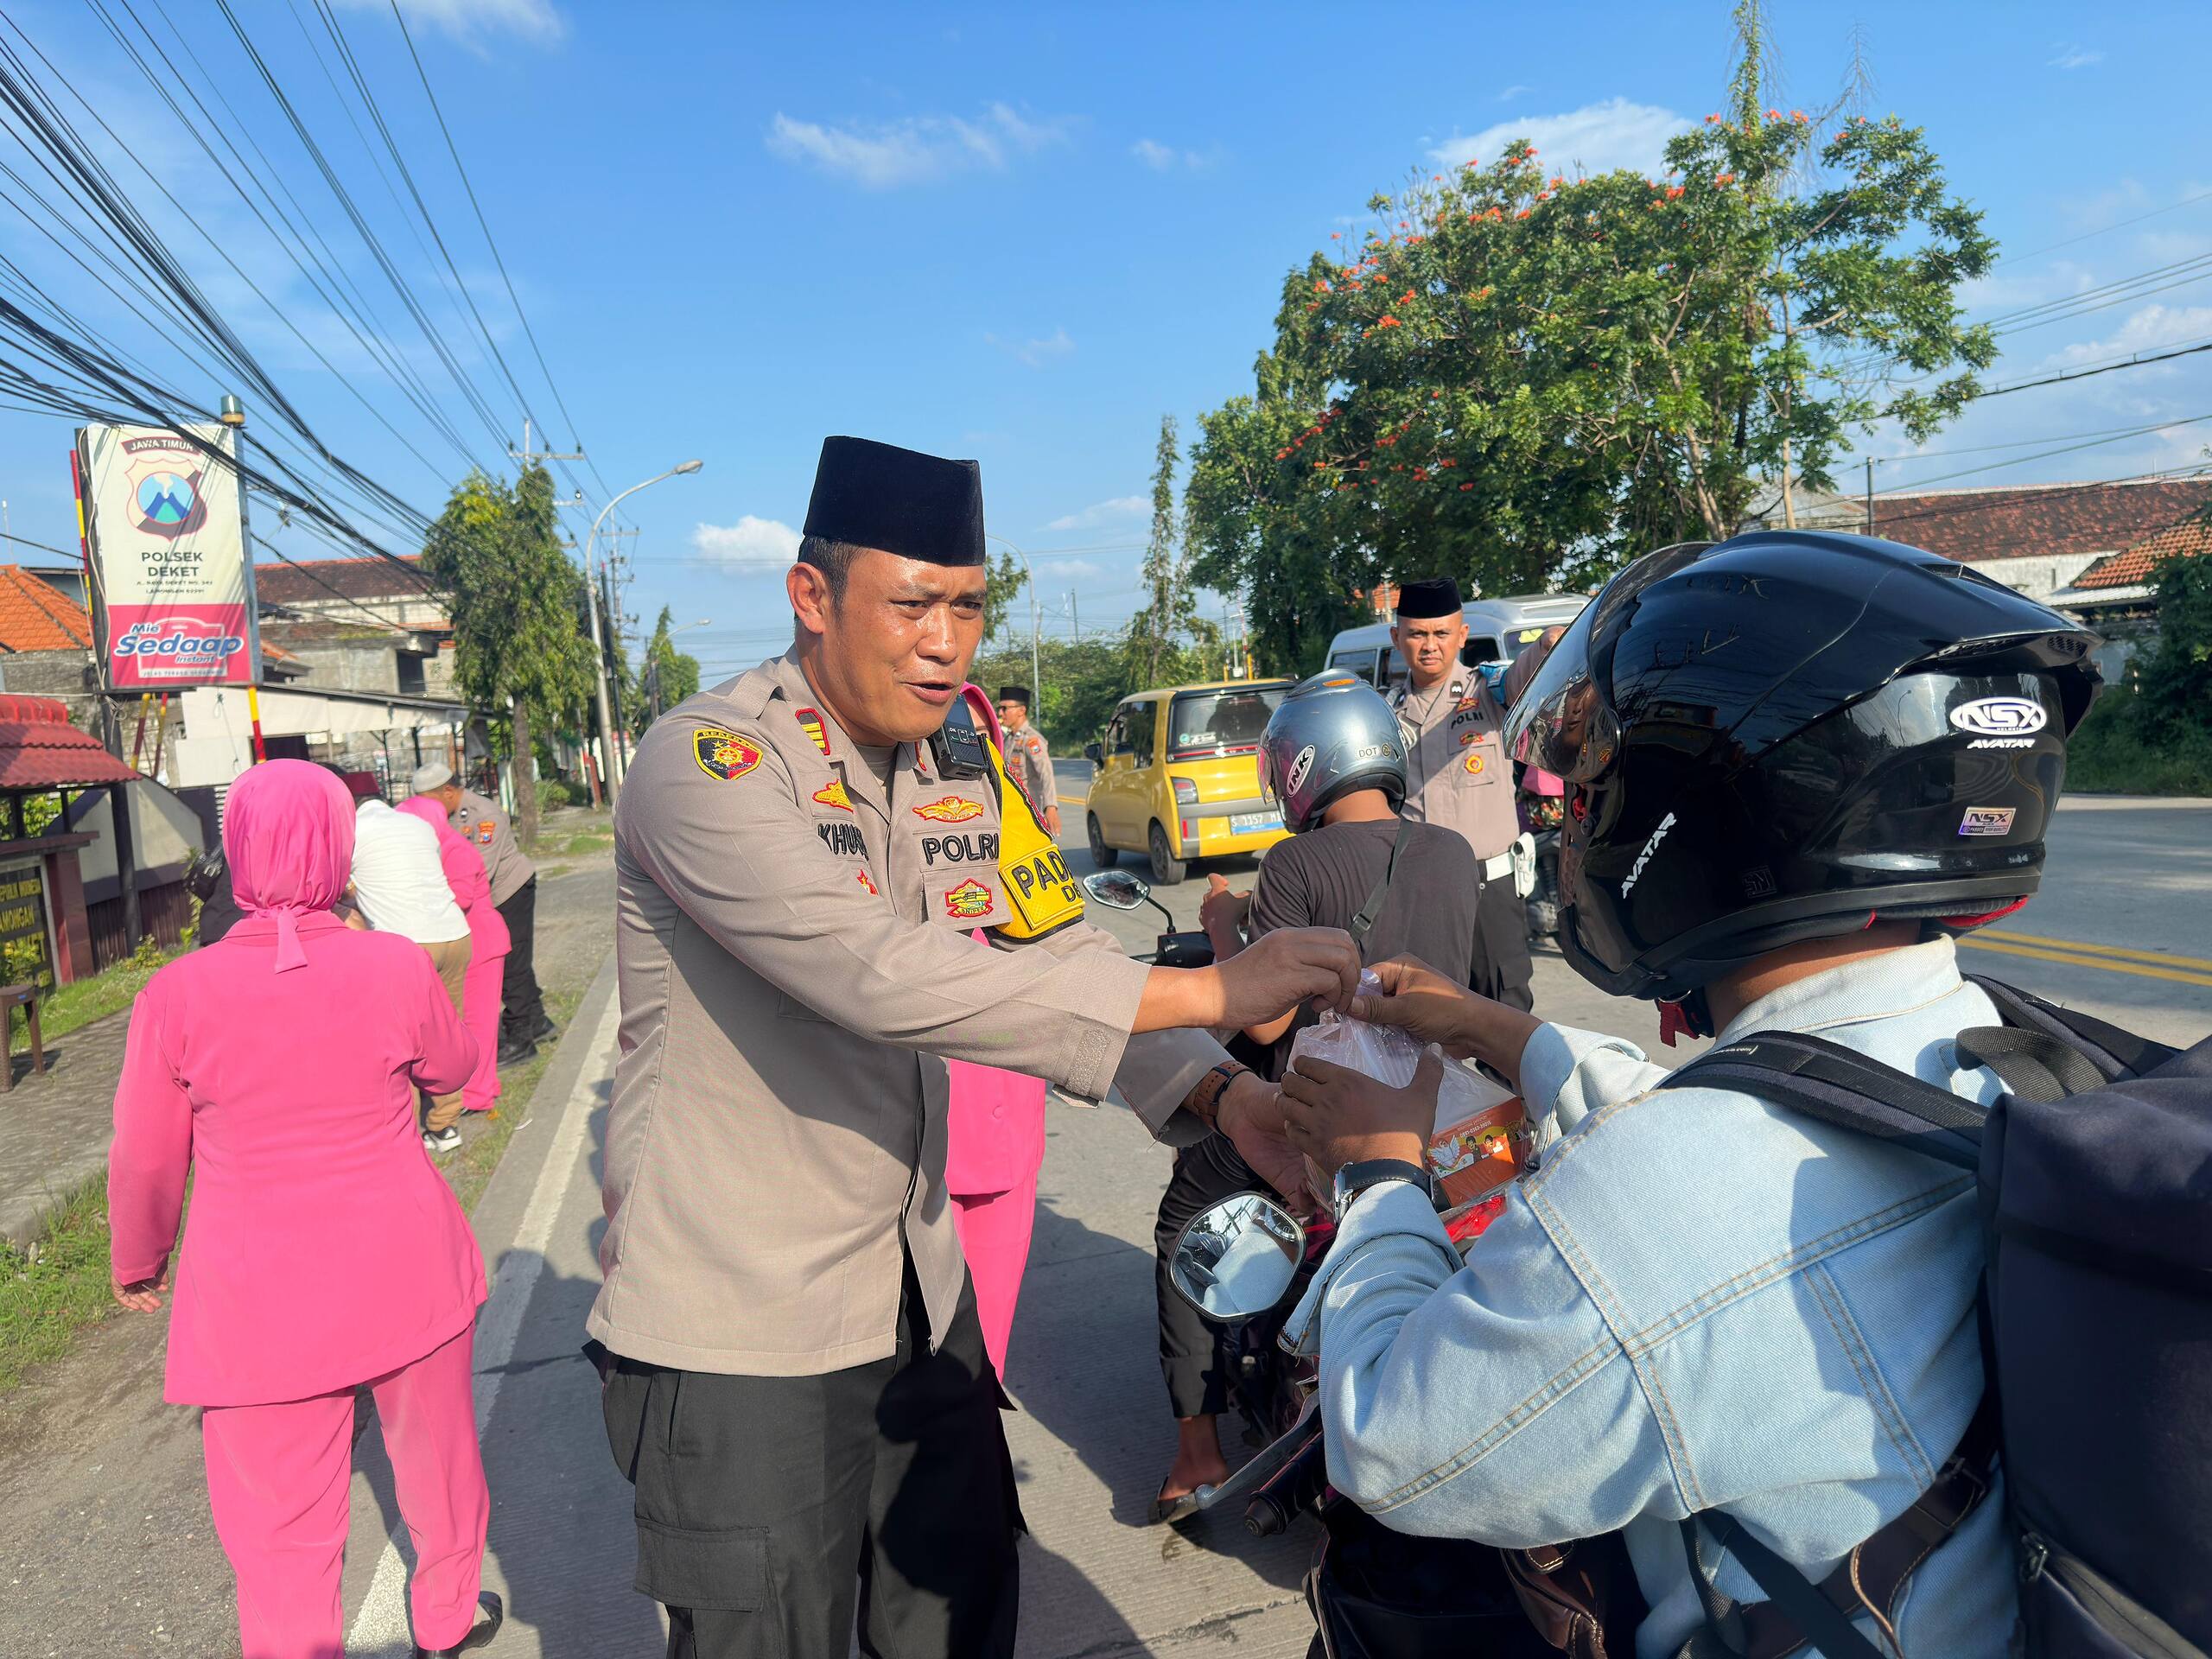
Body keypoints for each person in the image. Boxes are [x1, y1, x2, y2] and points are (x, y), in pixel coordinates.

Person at [589, 435, 1359, 1659]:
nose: (946, 642)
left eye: (967, 608)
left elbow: (1040, 951)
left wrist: (1223, 1099)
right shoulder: (709, 763)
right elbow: (876, 975)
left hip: (914, 1291)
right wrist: (1220, 988)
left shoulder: (962, 762)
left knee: (958, 1618)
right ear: (810, 598)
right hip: (742, 1325)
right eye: (910, 606)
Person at [1274, 531, 2103, 1658]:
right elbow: (1721, 1120)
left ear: (1700, 814)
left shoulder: (1655, 1213)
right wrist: (1481, 1026)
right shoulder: (2002, 1049)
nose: (1573, 814)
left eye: (1598, 777)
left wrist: (1378, 1174)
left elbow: (1395, 1451)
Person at [106, 760, 501, 1659]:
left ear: (236, 851)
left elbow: (144, 1156)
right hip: (405, 1264)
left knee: (279, 1524)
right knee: (437, 1462)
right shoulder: (393, 966)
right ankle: (446, 1615)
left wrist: (140, 1260)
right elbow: (451, 1065)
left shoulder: (175, 996)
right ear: (339, 847)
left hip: (254, 1297)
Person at [1152, 671, 1479, 1521]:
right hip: (1449, 1111)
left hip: (1326, 1119)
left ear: (1298, 766)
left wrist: (1224, 926)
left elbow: (1261, 1029)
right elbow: (1500, 993)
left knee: (1186, 1211)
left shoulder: (1293, 862)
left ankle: (1195, 1456)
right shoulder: (1449, 850)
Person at [944, 683, 1052, 1384]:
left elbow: (1064, 937)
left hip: (998, 1126)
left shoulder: (977, 759)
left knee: (980, 1362)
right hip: (884, 1146)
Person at [1387, 576, 1533, 1011]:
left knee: (1503, 1014)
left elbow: (1527, 676)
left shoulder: (1489, 691)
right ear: (1397, 637)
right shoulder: (1384, 713)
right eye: (1416, 633)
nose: (1429, 645)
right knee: (1426, 1016)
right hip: (1421, 891)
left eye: (1440, 633)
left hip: (1491, 888)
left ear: (1462, 635)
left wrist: (1546, 647)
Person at [348, 787, 474, 1147]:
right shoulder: (417, 825)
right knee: (447, 1031)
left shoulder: (353, 831)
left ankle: (406, 1135)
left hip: (408, 946)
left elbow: (339, 887)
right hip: (454, 935)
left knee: (402, 1040)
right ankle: (444, 1125)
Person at [410, 761, 548, 1067]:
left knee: (513, 966)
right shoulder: (444, 817)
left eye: (427, 799)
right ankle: (538, 1022)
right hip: (485, 899)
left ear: (448, 791)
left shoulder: (483, 816)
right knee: (516, 963)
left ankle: (520, 1038)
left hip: (509, 891)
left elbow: (479, 871)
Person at [399, 794, 512, 1145]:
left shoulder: (456, 850)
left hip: (479, 942)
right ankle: (476, 1089)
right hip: (465, 941)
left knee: (478, 1023)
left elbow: (461, 898)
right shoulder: (438, 849)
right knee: (464, 1023)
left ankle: (478, 1094)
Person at [994, 685, 1058, 838]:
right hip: (1011, 812)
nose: (1000, 713)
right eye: (1000, 708)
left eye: (1005, 708)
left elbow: (1046, 773)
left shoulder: (1032, 740)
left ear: (1021, 711)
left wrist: (1051, 806)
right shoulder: (1008, 739)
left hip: (1030, 813)